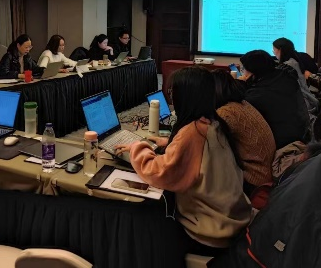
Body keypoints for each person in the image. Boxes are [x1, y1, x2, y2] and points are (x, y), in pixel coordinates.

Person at [116, 67, 251, 255]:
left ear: (185, 96)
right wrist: (170, 143)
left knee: (140, 225)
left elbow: (159, 172)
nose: (171, 97)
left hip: (210, 232)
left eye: (172, 92)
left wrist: (136, 147)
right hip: (232, 220)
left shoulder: (192, 133)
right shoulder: (214, 123)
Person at [211, 69, 275, 195]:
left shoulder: (226, 113)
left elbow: (209, 143)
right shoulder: (243, 104)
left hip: (253, 180)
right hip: (265, 173)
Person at [240, 50, 309, 149]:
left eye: (244, 69)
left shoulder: (257, 95)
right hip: (301, 134)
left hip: (278, 144)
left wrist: (242, 84)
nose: (243, 72)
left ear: (253, 73)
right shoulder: (286, 77)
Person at [272, 37, 319, 115]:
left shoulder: (288, 66)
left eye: (274, 50)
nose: (274, 53)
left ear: (280, 50)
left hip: (302, 105)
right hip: (304, 101)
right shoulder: (294, 61)